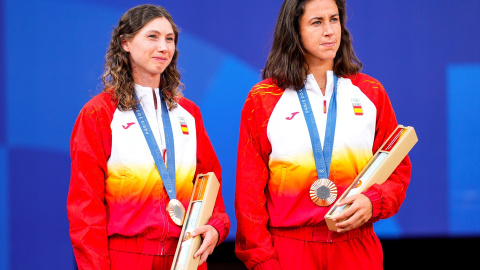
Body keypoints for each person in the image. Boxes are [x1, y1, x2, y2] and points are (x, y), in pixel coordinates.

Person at [235, 0, 411, 269]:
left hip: (356, 245)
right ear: (295, 30)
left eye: (334, 19)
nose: (329, 31)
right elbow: (249, 193)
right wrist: (262, 260)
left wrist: (374, 200)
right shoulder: (264, 98)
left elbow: (397, 170)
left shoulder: (371, 92)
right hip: (289, 248)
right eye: (317, 22)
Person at [67, 4, 230, 270]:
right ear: (126, 43)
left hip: (186, 256)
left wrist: (216, 226)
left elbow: (210, 180)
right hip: (125, 258)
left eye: (170, 39)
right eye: (152, 36)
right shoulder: (99, 113)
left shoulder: (188, 113)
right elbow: (85, 208)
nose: (164, 47)